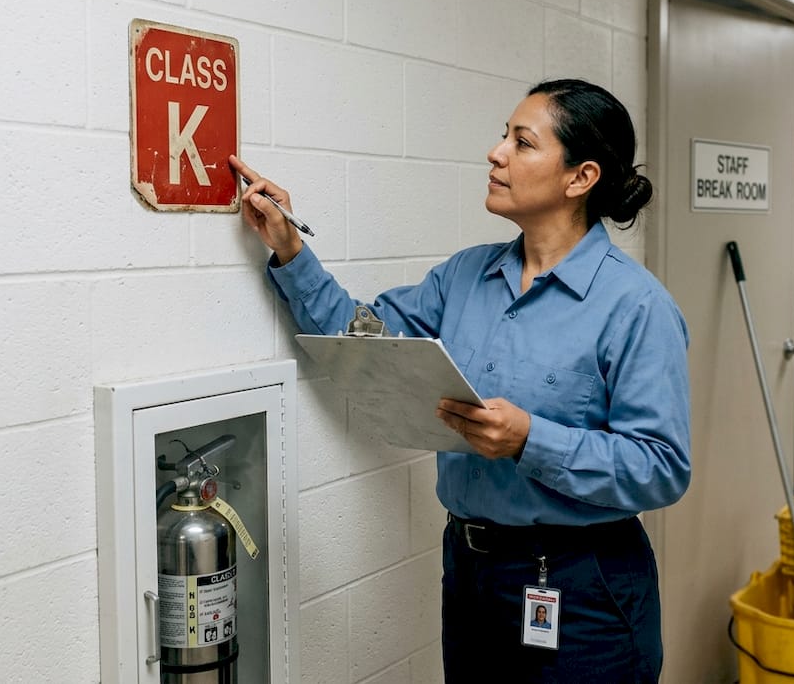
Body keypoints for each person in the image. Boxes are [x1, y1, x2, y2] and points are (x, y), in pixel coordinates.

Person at [231, 78, 691, 684]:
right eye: (504, 136)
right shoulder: (465, 277)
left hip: (584, 591)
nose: (495, 153)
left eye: (522, 143)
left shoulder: (636, 306)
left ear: (580, 177)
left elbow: (661, 466)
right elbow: (361, 341)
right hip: (471, 573)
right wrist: (290, 247)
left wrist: (531, 439)